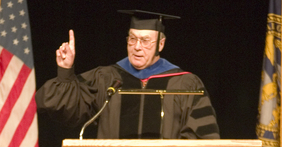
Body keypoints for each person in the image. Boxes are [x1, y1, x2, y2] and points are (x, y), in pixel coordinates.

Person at [35, 10, 220, 139]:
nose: (137, 46)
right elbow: (68, 109)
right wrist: (66, 70)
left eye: (145, 40)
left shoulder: (185, 83)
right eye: (132, 39)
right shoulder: (107, 78)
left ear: (160, 44)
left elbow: (202, 138)